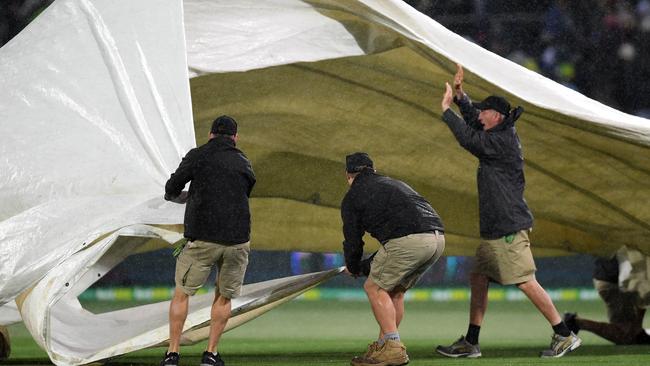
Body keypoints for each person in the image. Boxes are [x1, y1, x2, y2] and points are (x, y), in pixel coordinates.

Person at [435, 64, 580, 359]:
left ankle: (564, 334)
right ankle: (471, 342)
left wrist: (448, 110)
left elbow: (470, 138)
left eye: (483, 110)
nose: (479, 113)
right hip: (496, 227)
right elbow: (475, 121)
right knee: (479, 278)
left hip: (507, 226)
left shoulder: (500, 141)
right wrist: (462, 97)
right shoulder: (499, 132)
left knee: (525, 279)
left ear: (496, 116)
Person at [160, 115, 256, 366]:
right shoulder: (243, 160)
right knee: (223, 297)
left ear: (211, 134)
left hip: (202, 239)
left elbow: (172, 186)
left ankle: (172, 354)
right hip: (236, 239)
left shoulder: (198, 155)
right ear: (235, 137)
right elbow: (246, 189)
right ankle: (211, 354)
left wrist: (181, 197)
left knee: (182, 295)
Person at [341, 152, 446, 366]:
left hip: (408, 241)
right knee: (395, 291)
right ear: (373, 170)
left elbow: (353, 241)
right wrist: (362, 266)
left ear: (348, 176)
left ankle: (393, 347)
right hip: (437, 239)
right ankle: (383, 346)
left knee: (374, 288)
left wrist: (353, 267)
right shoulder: (392, 183)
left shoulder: (352, 197)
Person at [564, 252, 650, 345]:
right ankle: (576, 322)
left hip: (608, 278)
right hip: (616, 283)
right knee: (626, 335)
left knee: (629, 330)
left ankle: (638, 333)